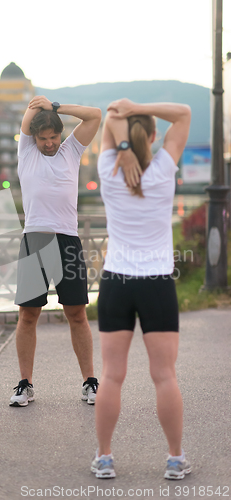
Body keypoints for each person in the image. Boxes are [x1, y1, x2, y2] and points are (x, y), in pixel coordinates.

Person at [91, 99, 192, 480]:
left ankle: (104, 458)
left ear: (124, 139)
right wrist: (140, 105)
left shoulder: (108, 168)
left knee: (112, 375)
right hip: (157, 283)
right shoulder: (164, 168)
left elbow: (110, 116)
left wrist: (120, 142)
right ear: (153, 136)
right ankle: (175, 458)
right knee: (164, 375)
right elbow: (183, 113)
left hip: (116, 281)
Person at [9, 96, 106, 407]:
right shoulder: (26, 151)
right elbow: (27, 118)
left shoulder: (71, 151)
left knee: (77, 314)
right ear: (34, 138)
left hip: (68, 241)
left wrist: (56, 107)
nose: (49, 144)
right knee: (28, 316)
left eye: (53, 137)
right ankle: (25, 384)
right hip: (35, 240)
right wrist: (37, 107)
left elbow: (94, 115)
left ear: (60, 136)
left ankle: (90, 383)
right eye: (43, 139)